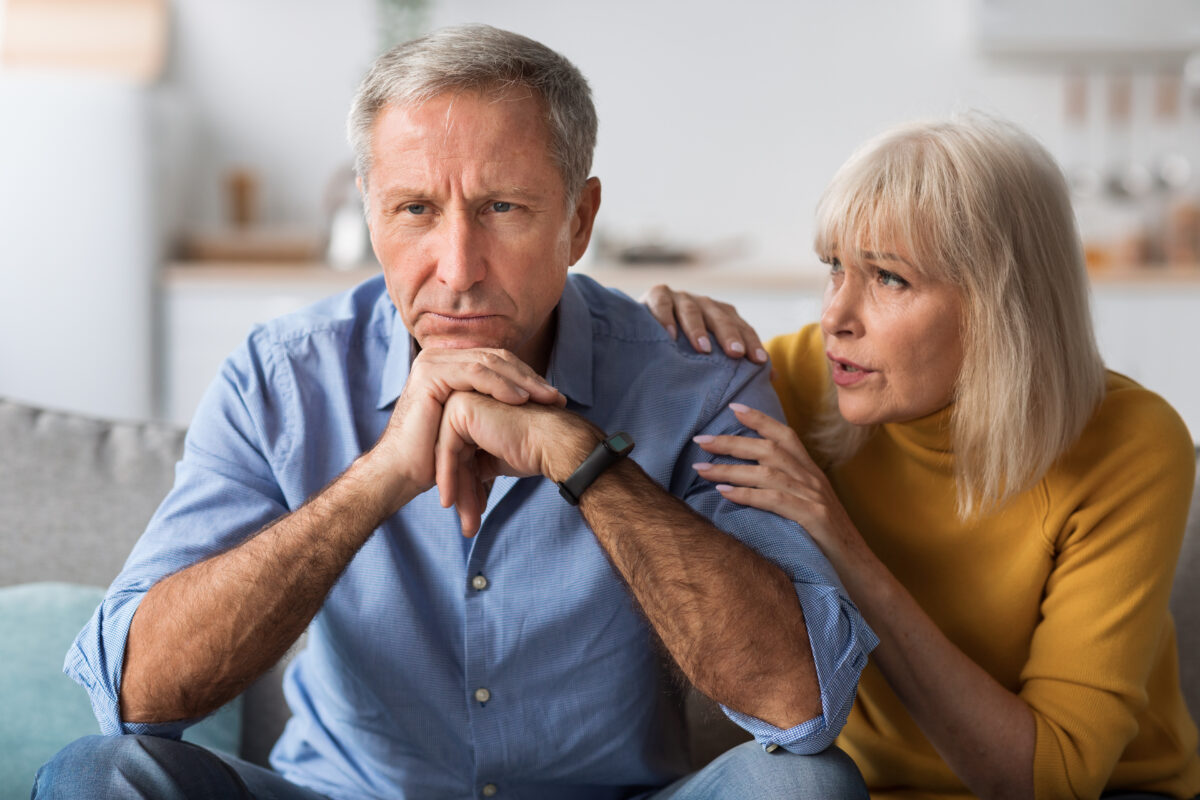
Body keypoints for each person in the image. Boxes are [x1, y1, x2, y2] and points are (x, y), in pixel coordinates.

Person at [33, 25, 877, 800]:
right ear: (371, 215)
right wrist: (383, 474)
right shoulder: (280, 379)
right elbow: (135, 701)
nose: (459, 267)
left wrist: (584, 461)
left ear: (578, 220)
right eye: (416, 210)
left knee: (806, 787)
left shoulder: (693, 379)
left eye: (503, 208)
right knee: (98, 777)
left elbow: (799, 709)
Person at [643, 112, 1200, 799]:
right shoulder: (795, 380)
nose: (835, 316)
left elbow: (1049, 779)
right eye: (834, 268)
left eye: (888, 279)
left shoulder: (1132, 441)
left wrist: (839, 541)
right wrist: (646, 338)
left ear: (1001, 305)